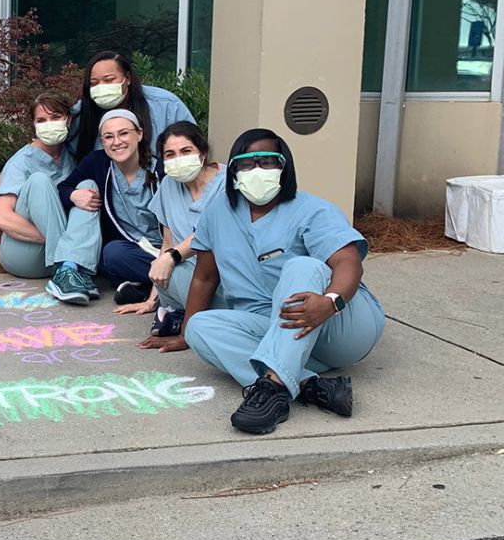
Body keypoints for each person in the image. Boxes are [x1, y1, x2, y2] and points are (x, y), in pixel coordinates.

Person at [138, 128, 386, 436]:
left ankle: (272, 391)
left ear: (284, 167)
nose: (257, 171)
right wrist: (186, 333)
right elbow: (204, 276)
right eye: (247, 164)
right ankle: (310, 385)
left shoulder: (311, 209)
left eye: (267, 162)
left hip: (338, 324)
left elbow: (348, 261)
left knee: (302, 266)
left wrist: (331, 301)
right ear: (234, 170)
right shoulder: (219, 213)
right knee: (201, 328)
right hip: (275, 327)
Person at [43, 109, 162, 306]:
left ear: (139, 134)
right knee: (112, 254)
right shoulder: (98, 162)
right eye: (109, 137)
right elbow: (64, 188)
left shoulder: (161, 170)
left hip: (169, 249)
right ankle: (160, 284)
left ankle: (150, 285)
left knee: (178, 266)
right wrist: (74, 195)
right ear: (102, 141)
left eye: (123, 133)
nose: (117, 142)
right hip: (133, 252)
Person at [141, 121, 227, 336]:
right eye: (170, 154)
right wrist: (152, 298)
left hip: (220, 274)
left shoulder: (227, 183)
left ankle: (195, 317)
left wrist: (171, 257)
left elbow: (212, 232)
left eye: (186, 151)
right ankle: (176, 310)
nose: (178, 159)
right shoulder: (168, 185)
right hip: (182, 270)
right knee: (162, 267)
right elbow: (168, 243)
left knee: (174, 268)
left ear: (202, 152)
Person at [0, 93, 76, 279]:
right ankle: (67, 268)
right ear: (34, 124)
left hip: (65, 256)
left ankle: (71, 266)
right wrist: (57, 239)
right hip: (26, 254)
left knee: (88, 187)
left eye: (56, 117)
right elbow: (2, 218)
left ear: (68, 120)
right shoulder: (21, 162)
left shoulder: (70, 155)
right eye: (41, 120)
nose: (49, 124)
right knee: (39, 181)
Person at [69, 51, 195, 162]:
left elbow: (193, 148)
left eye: (109, 80)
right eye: (94, 83)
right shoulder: (82, 113)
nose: (101, 87)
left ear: (127, 78)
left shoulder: (166, 105)